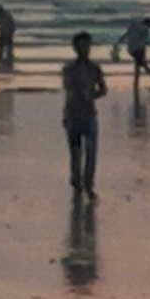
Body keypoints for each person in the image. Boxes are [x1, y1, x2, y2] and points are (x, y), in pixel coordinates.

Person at [61, 32, 107, 199]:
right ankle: (76, 180)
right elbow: (68, 89)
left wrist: (92, 95)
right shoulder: (68, 69)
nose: (84, 49)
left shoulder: (95, 68)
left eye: (86, 45)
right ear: (74, 48)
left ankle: (88, 183)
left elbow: (103, 89)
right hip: (73, 113)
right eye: (80, 46)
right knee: (75, 151)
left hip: (89, 113)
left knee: (91, 151)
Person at [113, 16, 150, 88]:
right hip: (139, 49)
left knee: (139, 63)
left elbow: (126, 34)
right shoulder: (145, 30)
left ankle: (138, 80)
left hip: (131, 49)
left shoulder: (134, 26)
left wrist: (119, 41)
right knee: (141, 63)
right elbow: (143, 41)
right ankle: (148, 72)